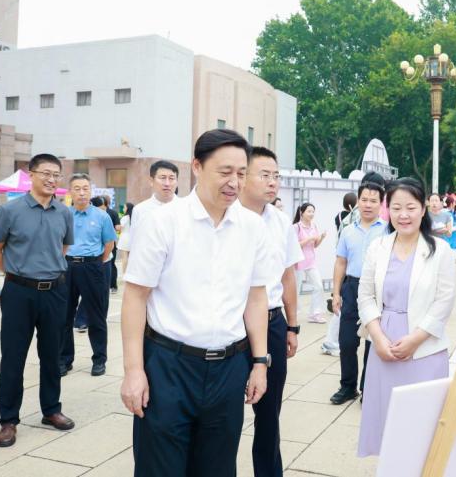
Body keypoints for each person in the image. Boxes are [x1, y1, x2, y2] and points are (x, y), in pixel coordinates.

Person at [120, 129, 272, 477]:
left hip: (229, 369)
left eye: (241, 173)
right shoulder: (163, 222)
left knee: (218, 467)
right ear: (197, 167)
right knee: (160, 468)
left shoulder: (252, 227)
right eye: (225, 171)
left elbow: (256, 296)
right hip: (168, 367)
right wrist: (134, 371)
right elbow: (135, 297)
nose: (234, 182)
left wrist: (260, 363)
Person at [357, 177, 456, 456]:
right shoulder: (378, 247)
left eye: (411, 207)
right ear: (388, 210)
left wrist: (415, 339)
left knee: (422, 426)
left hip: (424, 346)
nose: (403, 215)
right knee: (387, 422)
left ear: (423, 209)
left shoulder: (440, 250)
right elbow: (365, 295)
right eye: (396, 208)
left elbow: (444, 300)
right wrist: (377, 338)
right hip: (384, 344)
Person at [0, 153, 76, 448]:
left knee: (52, 355)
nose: (51, 179)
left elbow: (63, 248)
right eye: (46, 173)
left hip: (55, 291)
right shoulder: (10, 211)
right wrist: (17, 274)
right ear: (31, 175)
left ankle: (51, 410)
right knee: (13, 357)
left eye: (56, 174)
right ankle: (8, 420)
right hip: (19, 293)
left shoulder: (64, 212)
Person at [240, 146, 303, 477]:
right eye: (264, 175)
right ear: (243, 175)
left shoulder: (280, 221)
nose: (273, 182)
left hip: (273, 321)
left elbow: (287, 275)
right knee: (224, 415)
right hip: (233, 326)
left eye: (276, 176)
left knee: (269, 414)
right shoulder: (227, 217)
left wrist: (292, 326)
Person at [330, 178, 387, 405]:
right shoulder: (347, 231)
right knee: (346, 342)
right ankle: (348, 387)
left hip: (376, 289)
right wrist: (336, 293)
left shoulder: (388, 230)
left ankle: (367, 389)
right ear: (358, 202)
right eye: (364, 200)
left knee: (372, 342)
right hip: (351, 287)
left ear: (381, 204)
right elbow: (340, 262)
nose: (368, 204)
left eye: (373, 201)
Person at [59, 175, 116, 378]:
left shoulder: (102, 216)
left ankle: (99, 359)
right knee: (64, 316)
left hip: (92, 267)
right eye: (77, 189)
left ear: (91, 191)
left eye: (85, 188)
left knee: (96, 315)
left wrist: (96, 262)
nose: (82, 193)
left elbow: (109, 244)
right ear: (70, 192)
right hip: (67, 267)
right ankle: (64, 360)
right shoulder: (63, 214)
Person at [322, 192, 359, 356]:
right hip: (346, 263)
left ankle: (331, 341)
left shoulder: (343, 217)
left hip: (346, 261)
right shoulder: (348, 218)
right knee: (342, 309)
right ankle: (330, 342)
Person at [293, 203, 327, 323]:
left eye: (313, 211)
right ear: (301, 213)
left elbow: (315, 245)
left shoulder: (314, 226)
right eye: (309, 211)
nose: (311, 214)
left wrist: (321, 237)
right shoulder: (296, 227)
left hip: (311, 261)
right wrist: (309, 239)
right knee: (295, 290)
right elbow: (294, 245)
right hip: (298, 261)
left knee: (318, 286)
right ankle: (293, 314)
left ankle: (315, 314)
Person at [130, 160, 179, 238]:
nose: (167, 183)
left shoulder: (186, 208)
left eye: (171, 178)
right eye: (163, 178)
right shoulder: (140, 210)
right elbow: (135, 240)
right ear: (151, 181)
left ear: (177, 182)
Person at [103, 195, 122, 293]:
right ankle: (113, 286)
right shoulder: (114, 213)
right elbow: (118, 227)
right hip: (111, 242)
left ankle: (109, 285)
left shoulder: (96, 213)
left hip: (103, 243)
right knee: (111, 264)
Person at [117, 202, 134, 276]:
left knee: (124, 257)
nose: (123, 209)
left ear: (127, 208)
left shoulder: (125, 217)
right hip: (132, 238)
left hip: (125, 238)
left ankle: (125, 274)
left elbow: (120, 227)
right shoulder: (134, 217)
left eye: (124, 207)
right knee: (130, 257)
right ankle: (130, 273)